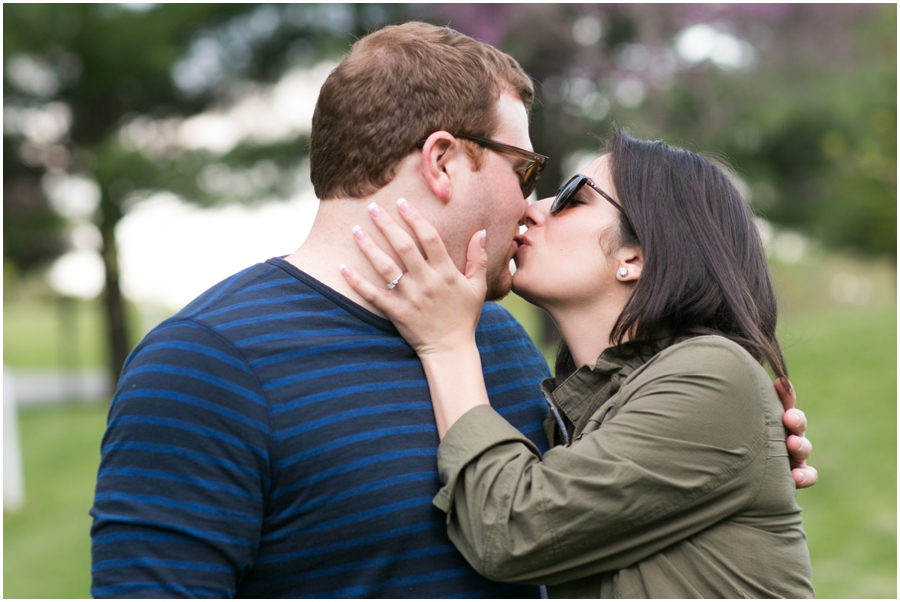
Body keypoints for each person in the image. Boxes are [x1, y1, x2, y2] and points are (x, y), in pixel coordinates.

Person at [90, 22, 815, 598]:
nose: (530, 204)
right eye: (526, 170)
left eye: (557, 190)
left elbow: (569, 507)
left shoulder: (493, 343)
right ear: (443, 161)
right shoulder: (205, 364)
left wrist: (743, 447)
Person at [340, 128, 815, 597]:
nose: (531, 208)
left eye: (571, 197)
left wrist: (446, 345)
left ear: (636, 254)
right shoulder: (591, 405)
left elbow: (511, 531)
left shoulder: (715, 375)